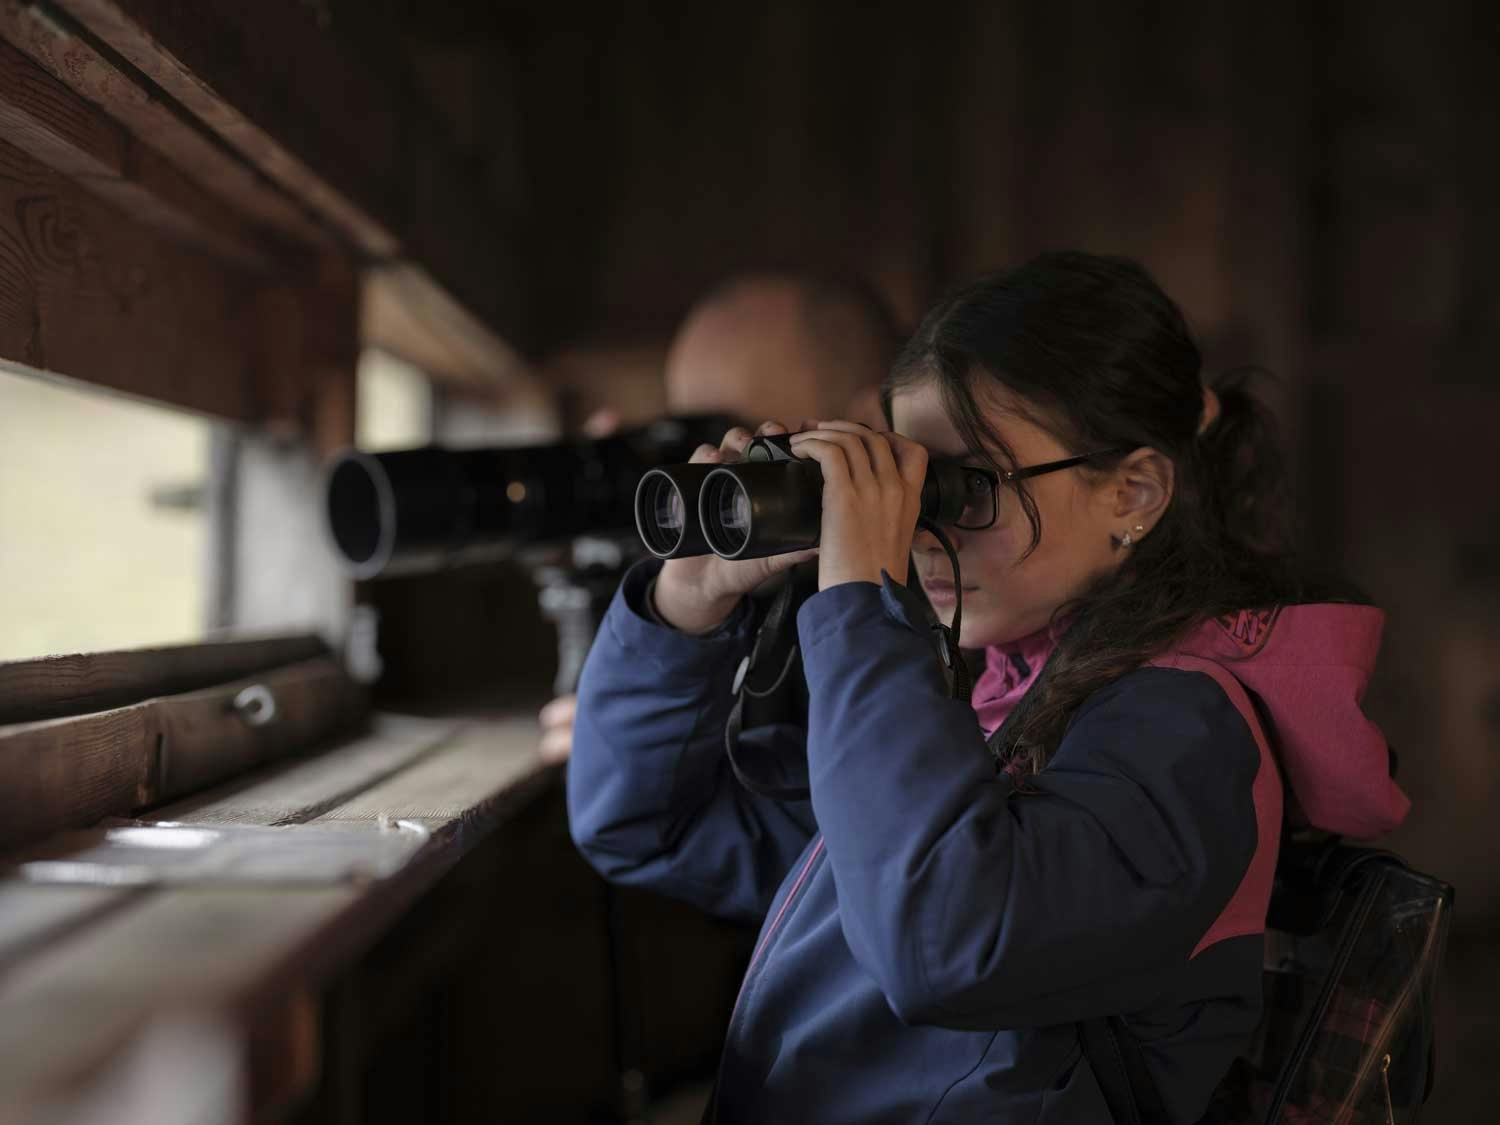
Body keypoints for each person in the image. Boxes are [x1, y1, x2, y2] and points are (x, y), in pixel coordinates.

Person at [566, 252, 1411, 1123]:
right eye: (909, 483)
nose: (925, 533)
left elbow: (942, 945)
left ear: (1134, 492)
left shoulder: (1188, 734)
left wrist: (862, 604)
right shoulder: (982, 706)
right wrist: (685, 609)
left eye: (964, 485)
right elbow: (643, 826)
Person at [537, 274, 896, 762]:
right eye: (681, 434)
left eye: (736, 436)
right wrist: (624, 715)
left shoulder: (930, 619)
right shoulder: (736, 594)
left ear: (869, 423)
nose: (708, 470)